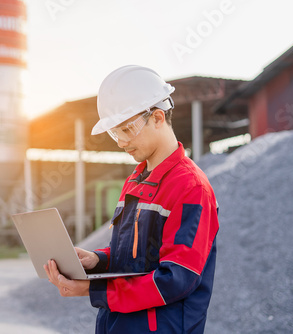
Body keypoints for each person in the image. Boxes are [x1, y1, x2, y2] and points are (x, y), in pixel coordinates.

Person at [44, 65, 219, 333]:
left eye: (127, 129)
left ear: (158, 117)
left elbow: (175, 279)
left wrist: (94, 290)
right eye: (115, 133)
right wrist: (97, 260)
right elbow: (135, 257)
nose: (121, 142)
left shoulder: (191, 187)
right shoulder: (136, 181)